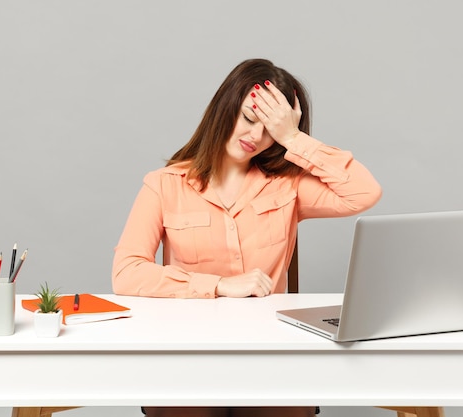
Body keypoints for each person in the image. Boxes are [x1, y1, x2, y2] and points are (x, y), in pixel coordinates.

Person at [112, 58, 382, 417]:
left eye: (270, 129)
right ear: (224, 109)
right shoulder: (164, 185)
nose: (256, 136)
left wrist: (294, 138)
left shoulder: (289, 186)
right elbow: (127, 272)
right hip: (187, 350)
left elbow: (363, 193)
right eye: (250, 119)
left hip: (270, 352)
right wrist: (220, 284)